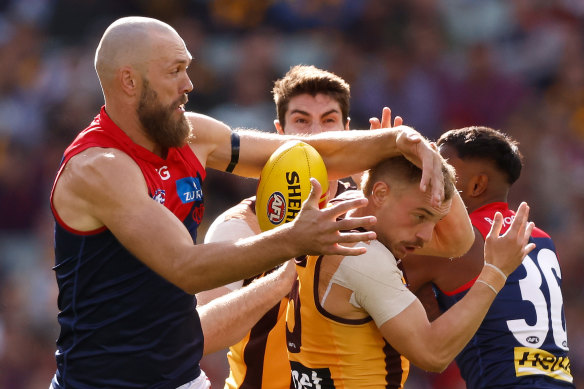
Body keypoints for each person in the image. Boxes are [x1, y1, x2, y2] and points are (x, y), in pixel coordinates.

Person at [48, 17, 446, 389]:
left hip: (184, 378)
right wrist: (293, 240)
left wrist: (396, 141)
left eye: (187, 67)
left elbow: (300, 151)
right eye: (174, 71)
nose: (189, 83)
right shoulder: (98, 169)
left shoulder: (192, 135)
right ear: (129, 82)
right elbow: (185, 267)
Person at [197, 65, 411, 388]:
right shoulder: (239, 226)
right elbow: (200, 335)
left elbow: (448, 256)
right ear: (277, 135)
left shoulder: (371, 214)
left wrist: (390, 193)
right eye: (300, 121)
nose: (315, 135)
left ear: (349, 133)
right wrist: (286, 263)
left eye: (328, 121)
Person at [285, 154, 535, 388]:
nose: (427, 236)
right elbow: (433, 353)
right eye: (420, 216)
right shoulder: (363, 258)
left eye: (435, 222)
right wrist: (495, 273)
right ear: (380, 193)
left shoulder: (340, 207)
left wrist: (418, 155)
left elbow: (457, 243)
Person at [402, 127, 575, 388]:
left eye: (443, 172)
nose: (427, 180)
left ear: (477, 185)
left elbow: (375, 295)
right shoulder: (542, 239)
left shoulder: (453, 243)